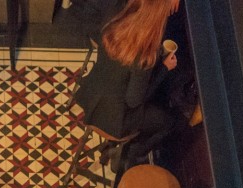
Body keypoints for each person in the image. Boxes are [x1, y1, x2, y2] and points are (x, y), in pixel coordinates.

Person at [73, 0, 181, 163]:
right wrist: (164, 68)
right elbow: (134, 101)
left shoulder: (114, 21)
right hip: (115, 120)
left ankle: (124, 150)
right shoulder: (144, 55)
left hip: (91, 96)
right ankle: (131, 155)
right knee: (168, 122)